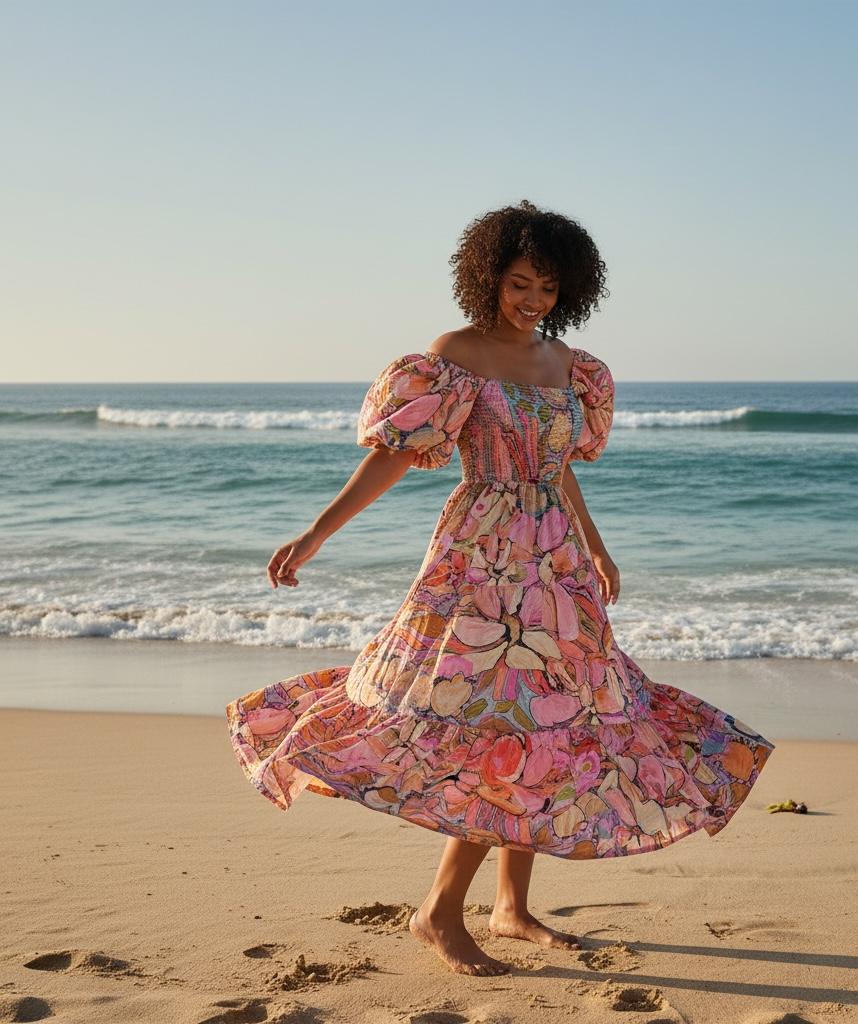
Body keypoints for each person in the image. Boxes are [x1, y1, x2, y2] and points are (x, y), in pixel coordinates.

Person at [227, 200, 773, 976]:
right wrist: (317, 531)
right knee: (498, 729)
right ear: (488, 277)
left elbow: (556, 469)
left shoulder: (566, 366)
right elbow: (391, 455)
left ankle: (511, 907)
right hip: (481, 561)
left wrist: (596, 545)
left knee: (552, 725)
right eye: (521, 282)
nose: (533, 300)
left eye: (548, 288)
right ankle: (438, 913)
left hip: (557, 564)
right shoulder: (454, 353)